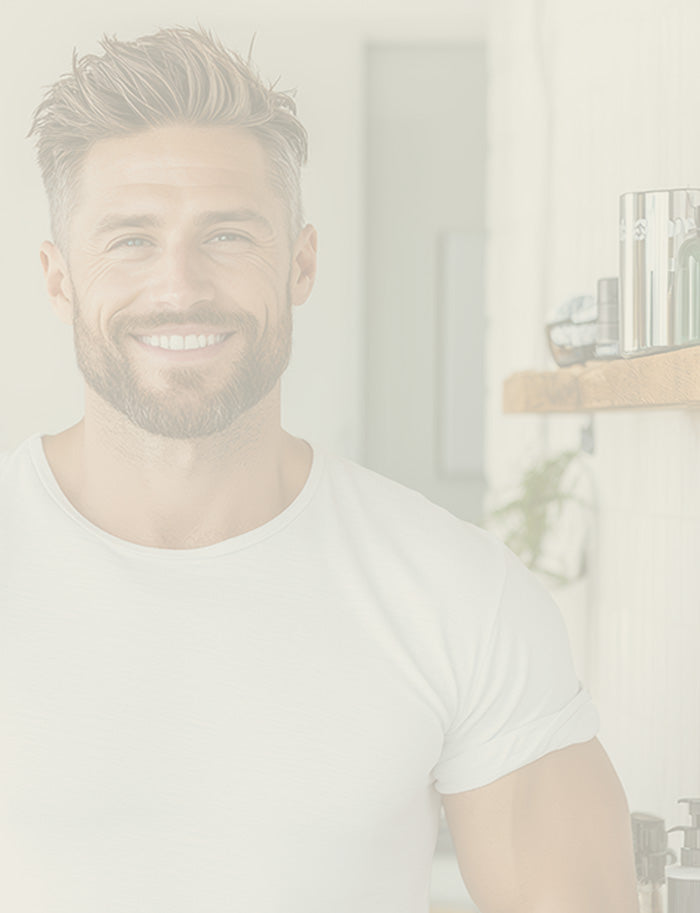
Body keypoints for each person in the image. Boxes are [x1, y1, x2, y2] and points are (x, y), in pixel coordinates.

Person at [0, 26, 638, 913]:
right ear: (59, 279)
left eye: (226, 235)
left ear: (300, 262)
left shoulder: (456, 593)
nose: (179, 284)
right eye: (130, 241)